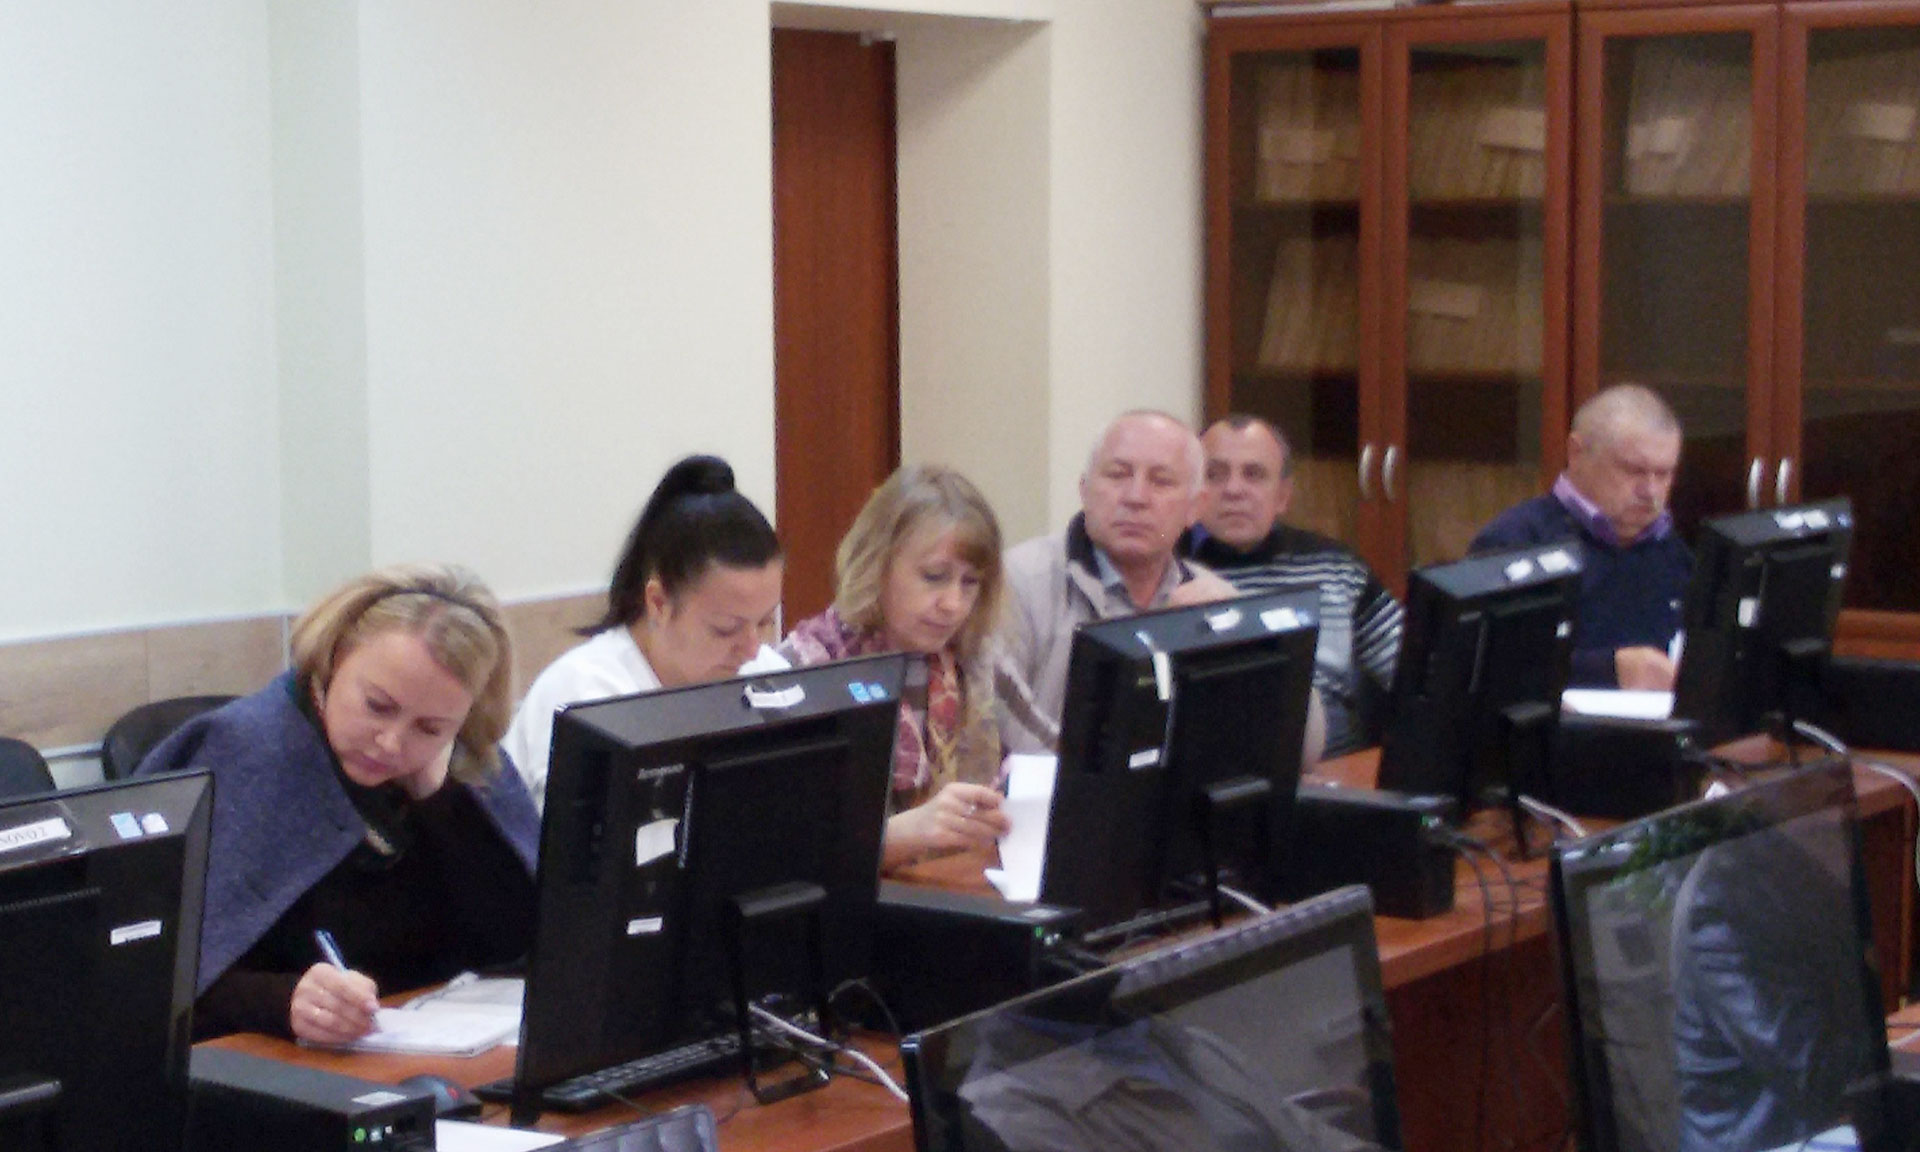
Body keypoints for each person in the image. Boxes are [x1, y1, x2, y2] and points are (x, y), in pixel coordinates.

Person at [134, 564, 539, 1044]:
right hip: (262, 1056)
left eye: (429, 728)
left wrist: (442, 801)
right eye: (378, 706)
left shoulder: (466, 762)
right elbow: (151, 970)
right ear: (332, 661)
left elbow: (520, 942)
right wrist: (283, 1001)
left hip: (429, 1042)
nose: (391, 743)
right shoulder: (244, 752)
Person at [1000, 410, 1324, 761]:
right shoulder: (1020, 580)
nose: (1136, 497)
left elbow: (1304, 749)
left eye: (1161, 481)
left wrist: (1246, 636)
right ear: (1085, 490)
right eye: (1118, 475)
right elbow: (996, 732)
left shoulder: (1209, 593)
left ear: (1195, 508)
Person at [780, 465, 1035, 870]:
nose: (953, 604)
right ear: (875, 564)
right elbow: (786, 852)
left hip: (954, 892)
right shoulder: (804, 671)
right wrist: (901, 835)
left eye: (970, 583)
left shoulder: (977, 659)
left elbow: (1056, 762)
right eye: (934, 577)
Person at [502, 455, 786, 807]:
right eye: (726, 629)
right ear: (658, 603)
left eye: (765, 622)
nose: (752, 649)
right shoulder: (586, 698)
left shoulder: (767, 677)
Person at [1188, 415, 1403, 756]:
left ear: (1283, 496)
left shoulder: (1335, 567)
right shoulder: (1170, 572)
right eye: (1214, 475)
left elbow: (1411, 670)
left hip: (1338, 767)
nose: (1233, 490)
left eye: (1253, 475)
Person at [1471, 384, 1690, 690]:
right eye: (1633, 470)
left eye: (1664, 474)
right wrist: (1609, 670)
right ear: (1577, 453)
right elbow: (1485, 667)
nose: (1650, 491)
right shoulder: (1515, 541)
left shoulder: (1673, 552)